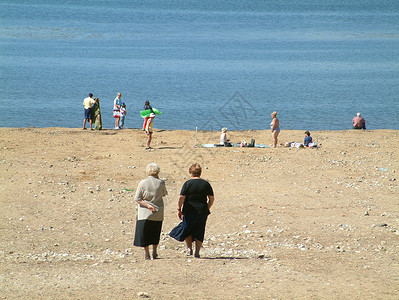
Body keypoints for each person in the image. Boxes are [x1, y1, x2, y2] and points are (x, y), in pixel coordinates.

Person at [169, 163, 215, 258]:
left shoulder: (188, 184)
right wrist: (207, 208)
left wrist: (179, 209)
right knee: (200, 229)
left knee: (187, 228)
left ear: (191, 173)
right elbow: (211, 198)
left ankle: (189, 248)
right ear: (200, 173)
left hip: (189, 210)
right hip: (202, 210)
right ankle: (197, 252)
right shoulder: (205, 183)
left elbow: (181, 198)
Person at [133, 163, 168, 260]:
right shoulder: (161, 182)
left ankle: (147, 253)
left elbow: (137, 198)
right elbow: (164, 193)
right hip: (158, 212)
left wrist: (148, 205)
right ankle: (155, 252)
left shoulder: (143, 183)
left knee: (145, 233)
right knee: (155, 232)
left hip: (145, 213)